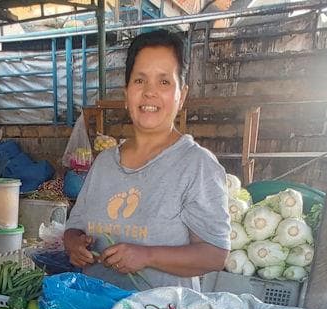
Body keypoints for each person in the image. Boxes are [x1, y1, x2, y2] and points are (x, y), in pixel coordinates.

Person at [62, 30, 230, 290]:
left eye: (164, 82)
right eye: (140, 81)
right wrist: (74, 244)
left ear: (181, 95)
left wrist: (147, 256)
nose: (150, 92)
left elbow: (215, 255)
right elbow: (75, 228)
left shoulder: (197, 165)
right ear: (127, 92)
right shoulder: (105, 163)